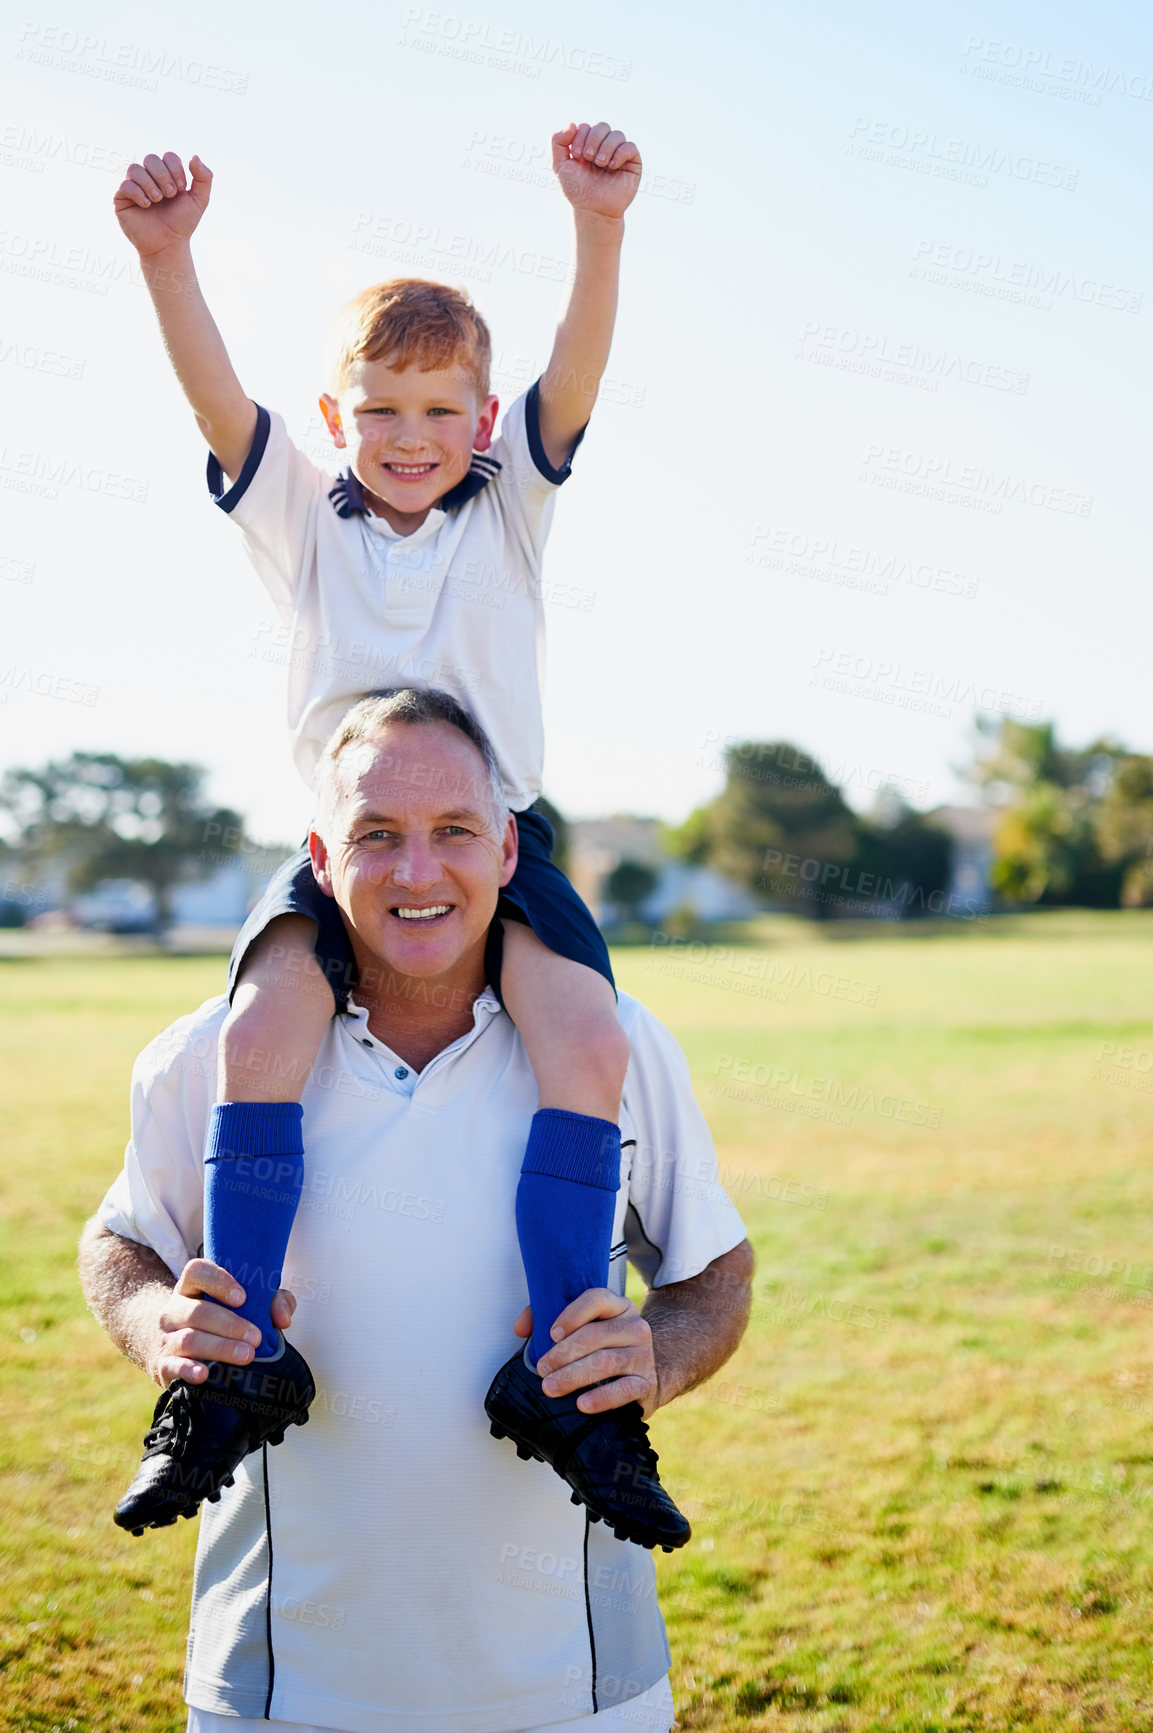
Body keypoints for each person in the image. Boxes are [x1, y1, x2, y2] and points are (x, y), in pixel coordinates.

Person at [110, 124, 659, 1527]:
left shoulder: (509, 514)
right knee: (252, 1041)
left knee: (591, 1043)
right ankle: (228, 1375)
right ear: (337, 417)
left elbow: (577, 375)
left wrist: (597, 230)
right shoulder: (302, 519)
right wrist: (168, 258)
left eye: (436, 414)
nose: (408, 441)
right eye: (379, 413)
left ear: (478, 421)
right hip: (338, 858)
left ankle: (566, 1370)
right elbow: (214, 397)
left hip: (497, 854)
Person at [79, 695, 754, 1733]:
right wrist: (154, 1319)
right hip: (277, 1681)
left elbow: (714, 1271)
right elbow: (118, 1239)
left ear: (507, 845)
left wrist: (652, 1357)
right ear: (319, 854)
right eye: (376, 835)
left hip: (575, 1682)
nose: (417, 871)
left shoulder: (617, 1040)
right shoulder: (207, 1049)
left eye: (453, 831)